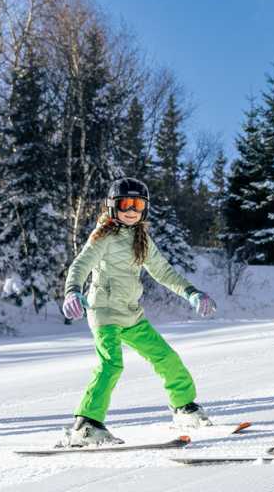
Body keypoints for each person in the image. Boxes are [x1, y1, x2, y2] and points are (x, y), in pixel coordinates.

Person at [58, 178, 220, 447]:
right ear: (113, 206)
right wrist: (73, 291)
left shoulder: (141, 238)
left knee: (166, 357)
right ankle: (86, 424)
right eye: (126, 204)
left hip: (131, 314)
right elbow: (81, 265)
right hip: (105, 312)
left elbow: (163, 271)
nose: (132, 210)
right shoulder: (103, 236)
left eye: (138, 204)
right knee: (111, 364)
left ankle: (184, 407)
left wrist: (191, 292)